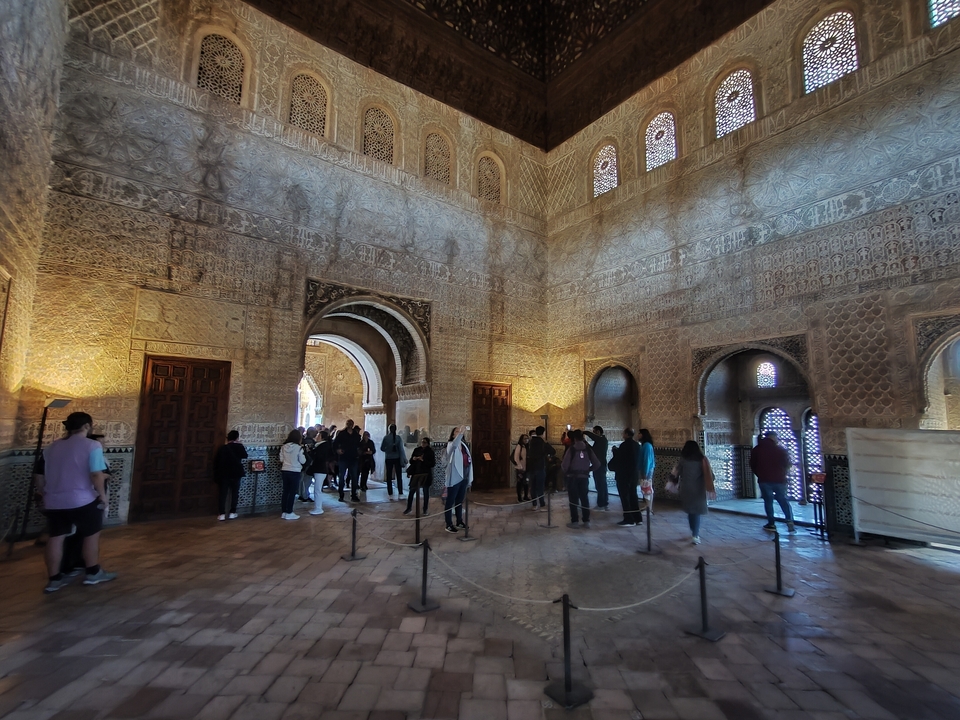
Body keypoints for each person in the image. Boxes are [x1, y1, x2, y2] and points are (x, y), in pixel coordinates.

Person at [35, 412, 116, 592]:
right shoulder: (92, 445)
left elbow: (39, 476)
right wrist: (102, 496)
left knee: (56, 538)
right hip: (82, 499)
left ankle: (54, 579)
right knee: (90, 535)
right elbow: (96, 474)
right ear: (87, 426)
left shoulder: (51, 447)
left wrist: (44, 493)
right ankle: (93, 572)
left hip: (54, 501)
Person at [668, 440, 716, 544]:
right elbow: (711, 476)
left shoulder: (683, 460)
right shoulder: (702, 460)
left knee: (691, 510)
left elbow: (675, 473)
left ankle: (693, 530)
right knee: (696, 512)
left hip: (686, 489)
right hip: (698, 489)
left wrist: (672, 483)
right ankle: (695, 534)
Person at [750, 431, 796, 534]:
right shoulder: (780, 450)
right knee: (783, 500)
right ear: (773, 437)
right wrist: (783, 474)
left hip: (764, 480)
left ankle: (771, 524)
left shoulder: (757, 450)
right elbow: (787, 464)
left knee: (768, 502)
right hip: (779, 480)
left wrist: (760, 474)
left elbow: (753, 465)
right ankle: (789, 521)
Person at [561, 429, 601, 528]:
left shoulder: (572, 449)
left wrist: (567, 472)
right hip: (584, 477)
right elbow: (597, 464)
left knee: (573, 500)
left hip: (572, 478)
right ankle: (586, 521)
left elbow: (564, 465)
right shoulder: (588, 449)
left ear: (574, 438)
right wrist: (589, 469)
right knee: (584, 499)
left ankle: (574, 521)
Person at [609, 428, 642, 526]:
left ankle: (629, 519)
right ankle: (638, 518)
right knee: (633, 496)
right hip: (634, 475)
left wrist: (615, 451)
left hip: (624, 475)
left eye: (624, 433)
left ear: (627, 434)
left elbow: (621, 459)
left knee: (625, 497)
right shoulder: (637, 445)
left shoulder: (624, 445)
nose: (622, 434)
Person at [213, 430, 248, 521]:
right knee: (235, 493)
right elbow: (245, 456)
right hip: (236, 473)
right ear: (237, 438)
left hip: (224, 474)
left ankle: (221, 514)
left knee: (223, 494)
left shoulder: (223, 448)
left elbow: (217, 461)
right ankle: (232, 512)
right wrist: (240, 445)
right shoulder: (239, 447)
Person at [443, 426, 472, 533]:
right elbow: (454, 445)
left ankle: (459, 521)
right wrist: (461, 433)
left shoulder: (463, 445)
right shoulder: (451, 445)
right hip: (455, 477)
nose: (459, 432)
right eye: (457, 431)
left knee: (459, 501)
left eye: (460, 431)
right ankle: (449, 524)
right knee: (450, 501)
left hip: (463, 476)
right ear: (453, 434)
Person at [404, 436, 436, 515]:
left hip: (426, 474)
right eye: (422, 442)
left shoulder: (430, 452)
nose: (423, 444)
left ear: (427, 444)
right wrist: (414, 459)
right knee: (412, 491)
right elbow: (411, 461)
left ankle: (425, 509)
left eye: (424, 442)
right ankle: (408, 508)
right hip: (416, 473)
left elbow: (432, 464)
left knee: (425, 492)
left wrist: (423, 460)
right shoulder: (417, 450)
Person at [279, 429, 306, 520]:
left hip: (285, 470)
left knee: (285, 491)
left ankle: (284, 512)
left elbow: (281, 459)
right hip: (295, 471)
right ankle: (289, 512)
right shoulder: (299, 448)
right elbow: (303, 461)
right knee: (292, 492)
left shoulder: (284, 447)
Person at [526, 426, 555, 511]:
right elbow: (553, 451)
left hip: (532, 467)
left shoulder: (531, 442)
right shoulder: (542, 442)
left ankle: (534, 505)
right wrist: (546, 442)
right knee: (540, 487)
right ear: (543, 433)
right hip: (540, 467)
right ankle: (542, 505)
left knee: (533, 487)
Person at [333, 419, 361, 502]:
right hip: (343, 458)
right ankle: (341, 495)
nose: (350, 425)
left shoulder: (356, 435)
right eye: (348, 423)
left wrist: (359, 451)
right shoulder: (341, 434)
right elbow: (335, 444)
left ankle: (354, 495)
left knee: (354, 477)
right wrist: (337, 450)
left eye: (351, 423)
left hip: (353, 458)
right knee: (341, 476)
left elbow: (359, 444)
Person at [584, 426, 609, 511]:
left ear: (598, 432)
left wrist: (585, 432)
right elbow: (594, 450)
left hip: (600, 465)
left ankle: (601, 503)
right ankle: (603, 502)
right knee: (600, 484)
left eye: (594, 432)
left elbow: (594, 437)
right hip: (598, 465)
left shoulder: (602, 440)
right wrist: (586, 444)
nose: (594, 433)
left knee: (600, 484)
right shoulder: (600, 441)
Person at [380, 424, 408, 500]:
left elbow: (382, 448)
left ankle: (390, 493)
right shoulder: (398, 438)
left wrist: (388, 449)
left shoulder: (386, 438)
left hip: (389, 458)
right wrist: (404, 458)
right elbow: (401, 449)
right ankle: (400, 493)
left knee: (389, 476)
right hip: (397, 458)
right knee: (399, 476)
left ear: (389, 429)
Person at [308, 430, 332, 515]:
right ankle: (317, 507)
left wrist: (312, 452)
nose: (316, 436)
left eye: (318, 435)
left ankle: (318, 508)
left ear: (322, 437)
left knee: (317, 489)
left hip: (320, 469)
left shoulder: (323, 446)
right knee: (317, 489)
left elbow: (319, 457)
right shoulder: (320, 445)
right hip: (319, 469)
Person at [638, 428, 656, 513]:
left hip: (647, 471)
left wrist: (645, 472)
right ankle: (648, 507)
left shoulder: (647, 446)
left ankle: (649, 509)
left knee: (647, 489)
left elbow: (647, 460)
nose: (638, 435)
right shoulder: (644, 445)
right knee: (646, 488)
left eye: (639, 433)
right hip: (645, 470)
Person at [299, 426, 318, 502]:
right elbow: (311, 453)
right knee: (307, 480)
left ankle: (302, 494)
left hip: (303, 463)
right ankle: (305, 495)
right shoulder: (310, 442)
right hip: (308, 463)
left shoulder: (303, 441)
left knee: (302, 480)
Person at [357, 430, 377, 501]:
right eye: (365, 435)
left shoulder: (370, 442)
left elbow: (374, 450)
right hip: (362, 460)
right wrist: (364, 453)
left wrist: (371, 452)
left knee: (366, 472)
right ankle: (362, 485)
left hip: (369, 460)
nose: (366, 437)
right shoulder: (361, 443)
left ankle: (364, 484)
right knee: (363, 472)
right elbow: (359, 451)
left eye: (367, 435)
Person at [511, 434, 529, 503]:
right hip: (520, 468)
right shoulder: (519, 446)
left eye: (527, 438)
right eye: (524, 438)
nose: (526, 440)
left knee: (526, 482)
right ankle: (519, 497)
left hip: (526, 467)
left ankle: (526, 496)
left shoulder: (527, 446)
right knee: (520, 483)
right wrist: (519, 465)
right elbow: (516, 457)